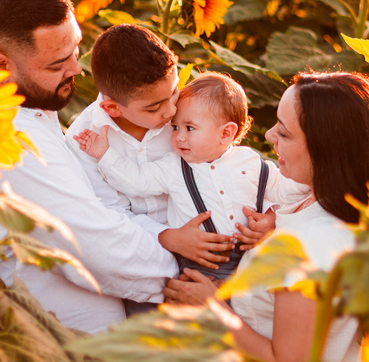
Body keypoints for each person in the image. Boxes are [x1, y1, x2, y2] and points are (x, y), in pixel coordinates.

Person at [0, 0, 234, 362]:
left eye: (76, 51)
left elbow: (96, 215)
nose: (76, 70)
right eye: (57, 63)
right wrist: (201, 276)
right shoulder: (6, 138)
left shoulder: (22, 106)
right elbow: (99, 250)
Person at [162, 71, 369, 362]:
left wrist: (211, 309)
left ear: (325, 148)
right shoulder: (326, 204)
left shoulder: (309, 249)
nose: (269, 136)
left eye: (285, 133)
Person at [64, 25, 231, 362]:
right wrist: (169, 239)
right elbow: (107, 216)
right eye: (155, 107)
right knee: (133, 299)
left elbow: (223, 161)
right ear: (111, 106)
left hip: (208, 233)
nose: (171, 110)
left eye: (173, 94)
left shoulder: (184, 109)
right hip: (141, 242)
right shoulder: (85, 140)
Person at [74, 71, 308, 279]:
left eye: (190, 128)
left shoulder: (250, 162)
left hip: (251, 260)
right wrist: (104, 155)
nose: (178, 137)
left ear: (226, 134)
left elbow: (287, 191)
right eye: (175, 127)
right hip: (199, 266)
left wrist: (273, 218)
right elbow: (137, 181)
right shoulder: (174, 166)